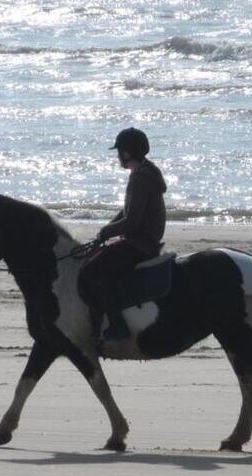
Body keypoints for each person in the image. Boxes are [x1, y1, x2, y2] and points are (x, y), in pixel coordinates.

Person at [78, 127, 167, 341]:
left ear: (126, 153)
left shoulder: (139, 178)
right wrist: (107, 229)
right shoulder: (145, 173)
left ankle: (118, 324)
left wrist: (106, 231)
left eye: (119, 151)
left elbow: (133, 221)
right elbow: (127, 212)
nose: (118, 156)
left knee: (91, 271)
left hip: (140, 245)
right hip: (142, 240)